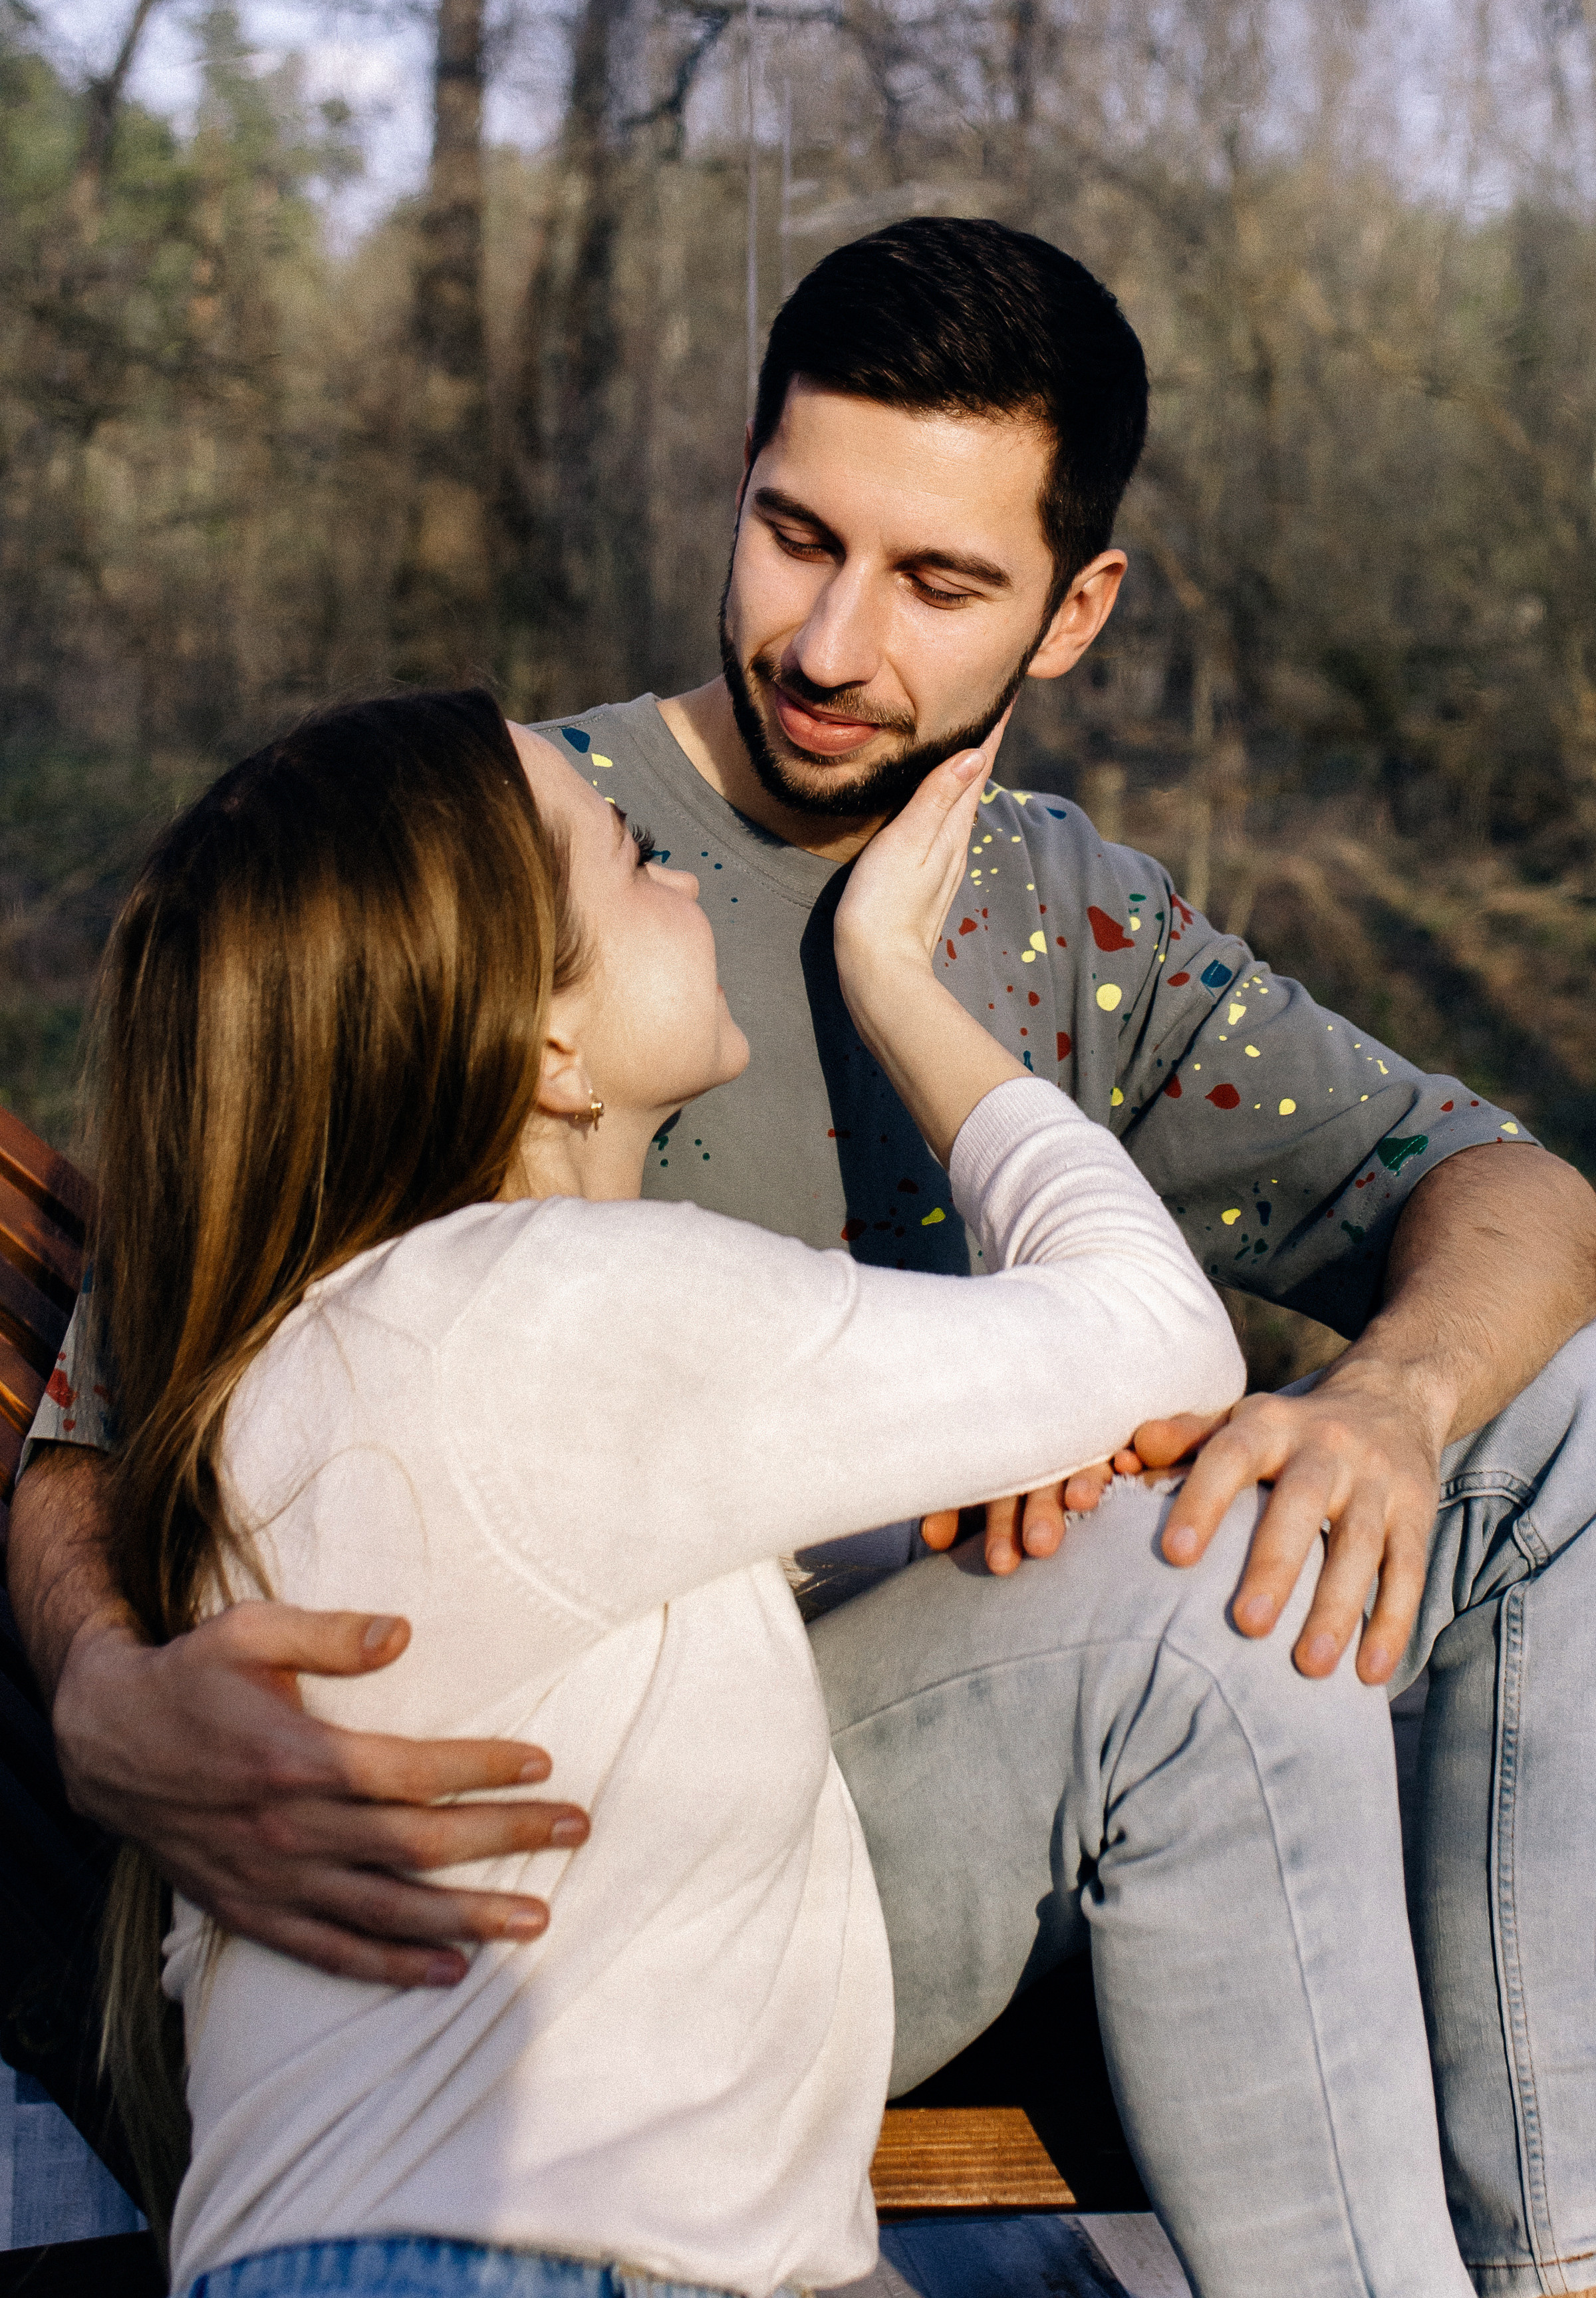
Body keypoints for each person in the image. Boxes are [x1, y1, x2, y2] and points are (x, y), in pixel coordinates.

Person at [12, 218, 1596, 2295]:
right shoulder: (512, 871)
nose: (834, 641)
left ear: (1074, 609)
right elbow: (115, 1416)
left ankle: (1560, 2244)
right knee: (1183, 1614)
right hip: (587, 1872)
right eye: (794, 535)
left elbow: (1518, 1196)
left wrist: (1388, 1404)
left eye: (939, 584)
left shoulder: (1058, 920)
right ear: (738, 482)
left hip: (984, 1757)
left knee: (1549, 1418)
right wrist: (102, 1693)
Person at [90, 682, 1269, 2298]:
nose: (686, 876)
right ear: (546, 1035)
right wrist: (894, 983)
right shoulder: (552, 1304)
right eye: (630, 854)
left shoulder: (375, 1357)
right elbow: (1163, 1342)